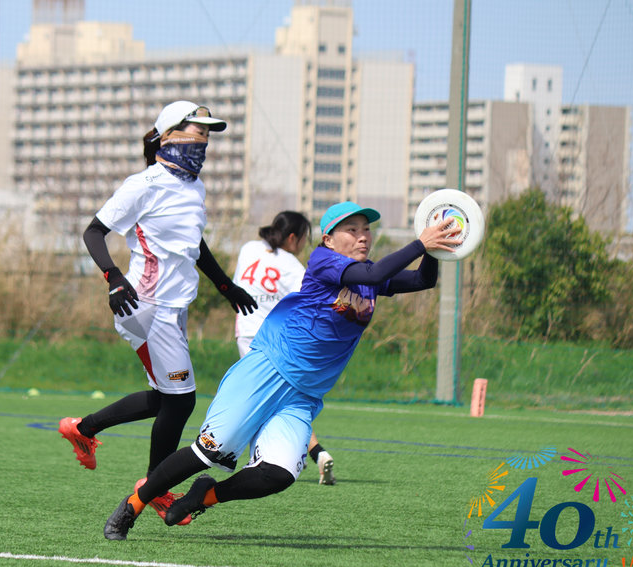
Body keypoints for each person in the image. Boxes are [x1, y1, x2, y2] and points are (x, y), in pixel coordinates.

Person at [103, 201, 463, 540]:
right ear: (328, 239)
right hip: (268, 371)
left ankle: (204, 496)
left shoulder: (369, 277)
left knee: (279, 473)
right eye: (352, 229)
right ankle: (133, 505)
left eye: (366, 229)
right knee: (209, 452)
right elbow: (378, 271)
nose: (363, 236)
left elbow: (422, 281)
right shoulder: (324, 261)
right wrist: (421, 242)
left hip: (303, 395)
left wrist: (434, 250)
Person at [58, 100, 257, 527]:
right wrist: (113, 277)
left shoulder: (195, 187)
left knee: (167, 398)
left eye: (208, 135)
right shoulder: (143, 184)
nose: (203, 140)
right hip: (144, 306)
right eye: (197, 131)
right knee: (181, 401)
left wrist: (226, 286)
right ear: (167, 135)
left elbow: (194, 245)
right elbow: (94, 232)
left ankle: (83, 429)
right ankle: (155, 488)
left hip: (173, 309)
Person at [233, 211, 335, 485]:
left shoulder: (248, 249)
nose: (303, 244)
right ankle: (312, 452)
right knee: (280, 399)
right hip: (276, 338)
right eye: (304, 238)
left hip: (247, 332)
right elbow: (313, 302)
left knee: (263, 398)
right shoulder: (292, 266)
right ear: (292, 238)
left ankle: (291, 453)